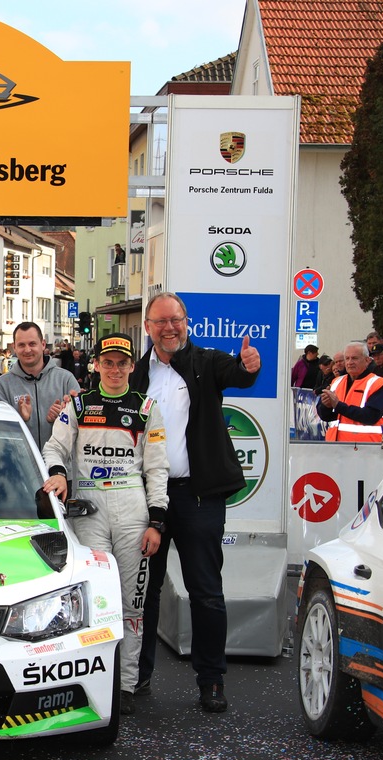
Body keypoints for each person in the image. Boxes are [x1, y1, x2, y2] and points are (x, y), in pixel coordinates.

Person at [130, 292, 260, 713]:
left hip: (198, 497)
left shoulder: (205, 361)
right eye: (161, 321)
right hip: (148, 497)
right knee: (142, 591)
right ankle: (136, 676)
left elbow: (238, 375)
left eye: (177, 320)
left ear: (187, 323)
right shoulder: (135, 373)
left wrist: (248, 367)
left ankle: (211, 680)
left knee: (205, 591)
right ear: (147, 327)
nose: (170, 328)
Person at [42, 333, 168, 717]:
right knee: (93, 598)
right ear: (96, 364)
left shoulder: (147, 408)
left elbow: (157, 467)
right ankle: (91, 681)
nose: (115, 370)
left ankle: (126, 685)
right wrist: (59, 474)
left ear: (132, 366)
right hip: (89, 508)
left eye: (122, 363)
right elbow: (54, 447)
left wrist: (157, 521)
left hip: (133, 511)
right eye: (108, 362)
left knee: (132, 603)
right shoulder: (79, 404)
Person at [0, 322, 81, 451]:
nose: (27, 350)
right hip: (21, 467)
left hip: (60, 467)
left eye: (32, 344)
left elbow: (81, 428)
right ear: (14, 347)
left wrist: (62, 419)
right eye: (21, 345)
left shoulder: (65, 379)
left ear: (43, 344)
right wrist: (20, 420)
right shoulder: (2, 386)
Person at [317, 341, 383, 442]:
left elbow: (371, 416)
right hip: (335, 447)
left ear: (367, 360)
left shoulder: (378, 384)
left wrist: (338, 405)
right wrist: (325, 405)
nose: (350, 362)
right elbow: (326, 416)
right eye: (347, 358)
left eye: (355, 358)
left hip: (366, 448)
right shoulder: (337, 382)